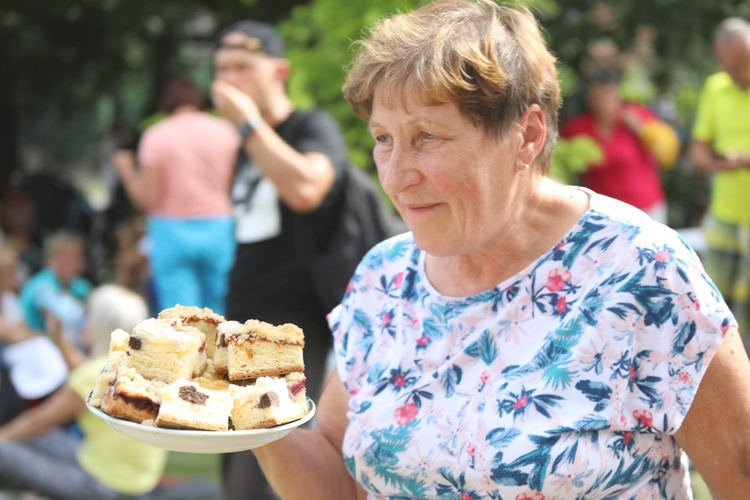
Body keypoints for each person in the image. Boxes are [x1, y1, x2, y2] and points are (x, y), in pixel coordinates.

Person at [248, 1, 750, 498]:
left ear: (526, 135)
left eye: (427, 137)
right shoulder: (385, 276)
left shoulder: (640, 270)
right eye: (384, 138)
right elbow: (341, 484)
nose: (395, 177)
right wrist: (246, 414)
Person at [209, 19, 351, 499]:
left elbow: (309, 189)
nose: (228, 80)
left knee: (268, 465)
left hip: (290, 328)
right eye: (221, 69)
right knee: (233, 458)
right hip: (242, 315)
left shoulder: (309, 126)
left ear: (279, 71)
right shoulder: (246, 146)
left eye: (242, 67)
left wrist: (248, 122)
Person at [0, 284, 168, 499]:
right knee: (37, 437)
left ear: (100, 324)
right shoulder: (141, 369)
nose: (83, 322)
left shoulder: (95, 373)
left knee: (8, 444)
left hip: (100, 487)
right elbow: (85, 376)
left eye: (88, 315)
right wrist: (61, 340)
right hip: (137, 483)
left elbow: (38, 420)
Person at [114, 76, 240, 315]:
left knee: (179, 317)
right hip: (220, 227)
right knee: (223, 311)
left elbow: (146, 199)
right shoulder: (225, 132)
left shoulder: (157, 136)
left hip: (171, 231)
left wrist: (127, 171)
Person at [688, 17, 750, 345]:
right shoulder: (716, 87)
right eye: (728, 67)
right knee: (719, 308)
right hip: (725, 213)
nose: (734, 74)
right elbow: (698, 148)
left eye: (741, 66)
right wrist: (712, 162)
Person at [561, 64, 678, 224]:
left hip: (645, 208)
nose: (604, 101)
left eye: (609, 94)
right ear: (589, 98)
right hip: (603, 214)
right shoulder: (579, 128)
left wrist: (641, 129)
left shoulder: (637, 115)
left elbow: (668, 155)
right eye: (599, 96)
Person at [19, 230, 92, 353]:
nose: (67, 263)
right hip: (35, 351)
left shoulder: (80, 285)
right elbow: (61, 316)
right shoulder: (41, 285)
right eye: (61, 257)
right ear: (49, 259)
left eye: (73, 257)